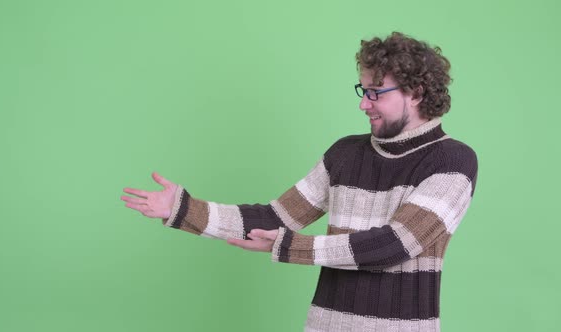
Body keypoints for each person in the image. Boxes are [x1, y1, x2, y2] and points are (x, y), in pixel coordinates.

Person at [121, 31, 478, 332]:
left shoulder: (453, 161)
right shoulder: (345, 154)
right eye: (363, 90)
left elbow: (395, 244)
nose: (363, 104)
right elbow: (276, 220)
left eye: (376, 92)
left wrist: (293, 247)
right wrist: (183, 209)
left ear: (415, 93)